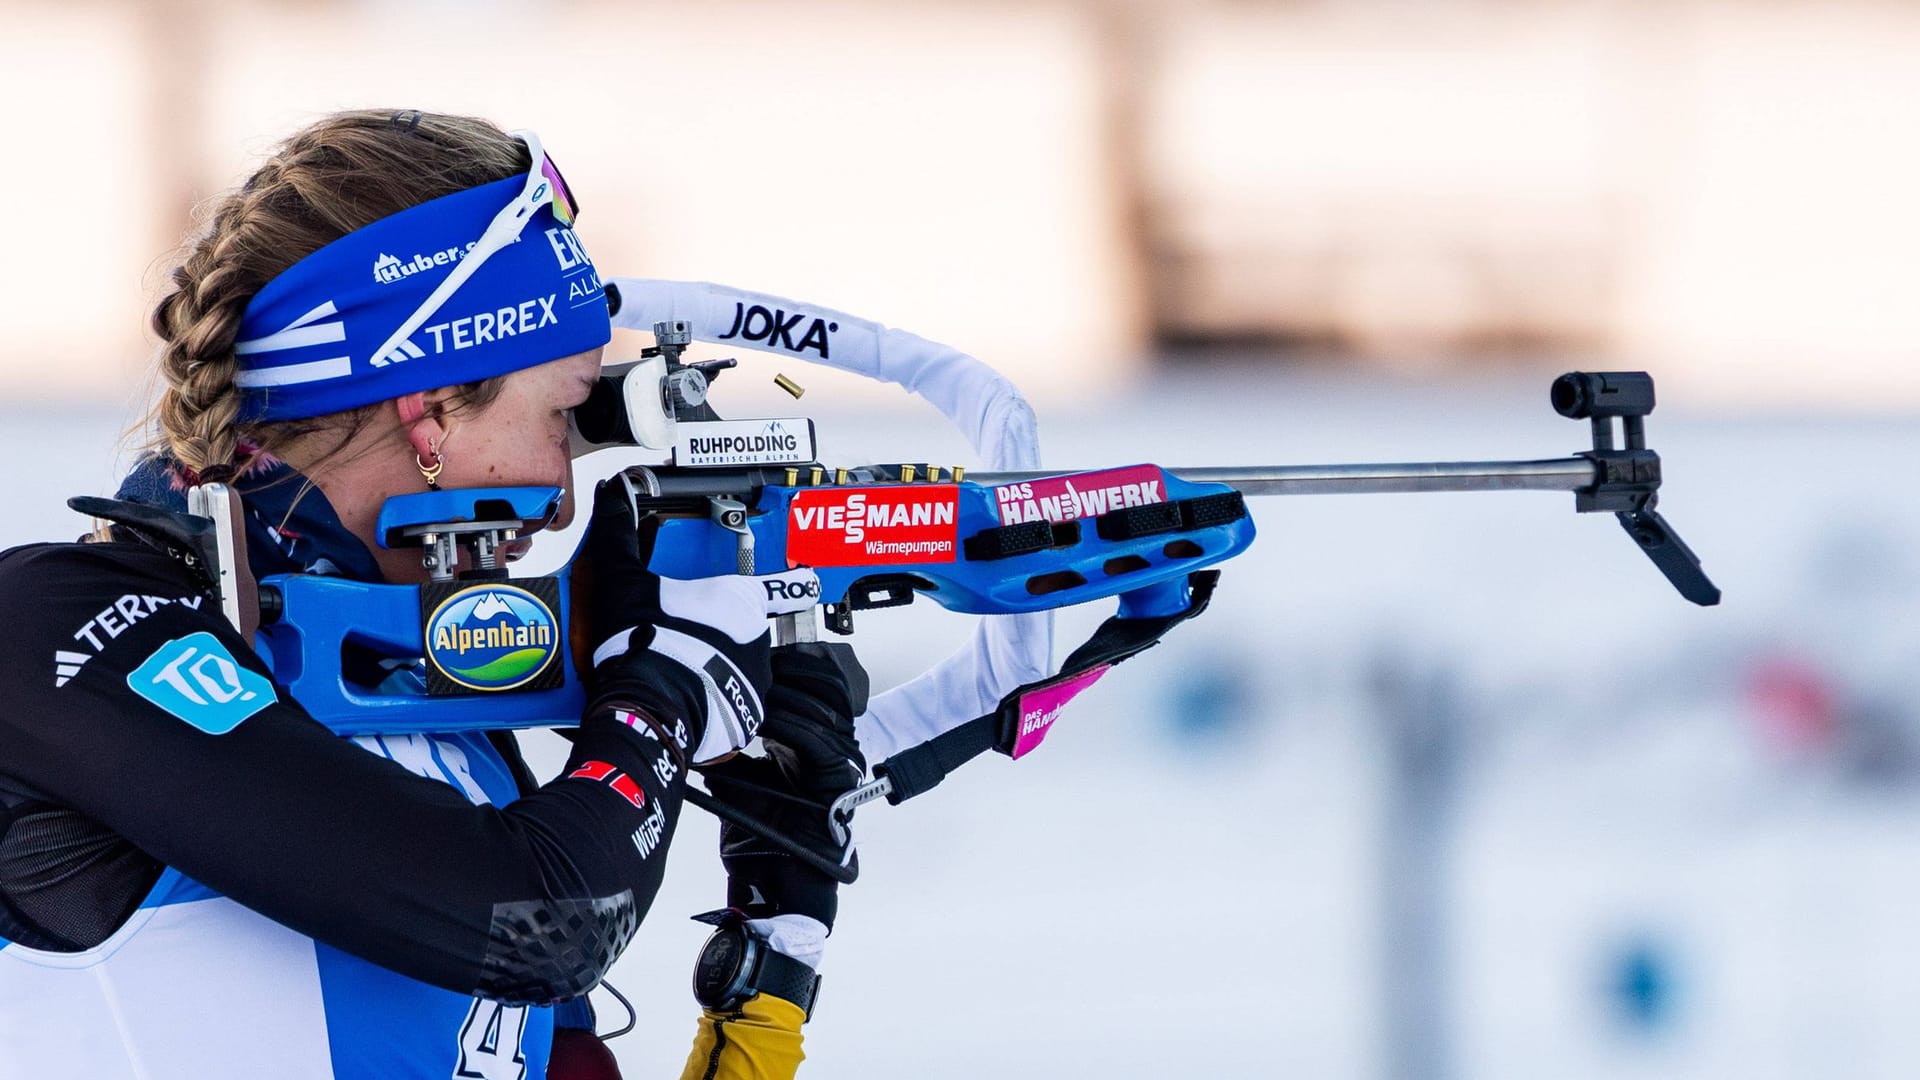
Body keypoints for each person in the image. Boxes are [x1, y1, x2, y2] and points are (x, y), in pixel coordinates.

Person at [0, 109, 861, 1080]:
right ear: (432, 409)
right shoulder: (48, 629)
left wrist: (774, 951)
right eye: (565, 416)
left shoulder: (418, 695)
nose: (566, 491)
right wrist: (661, 692)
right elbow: (544, 924)